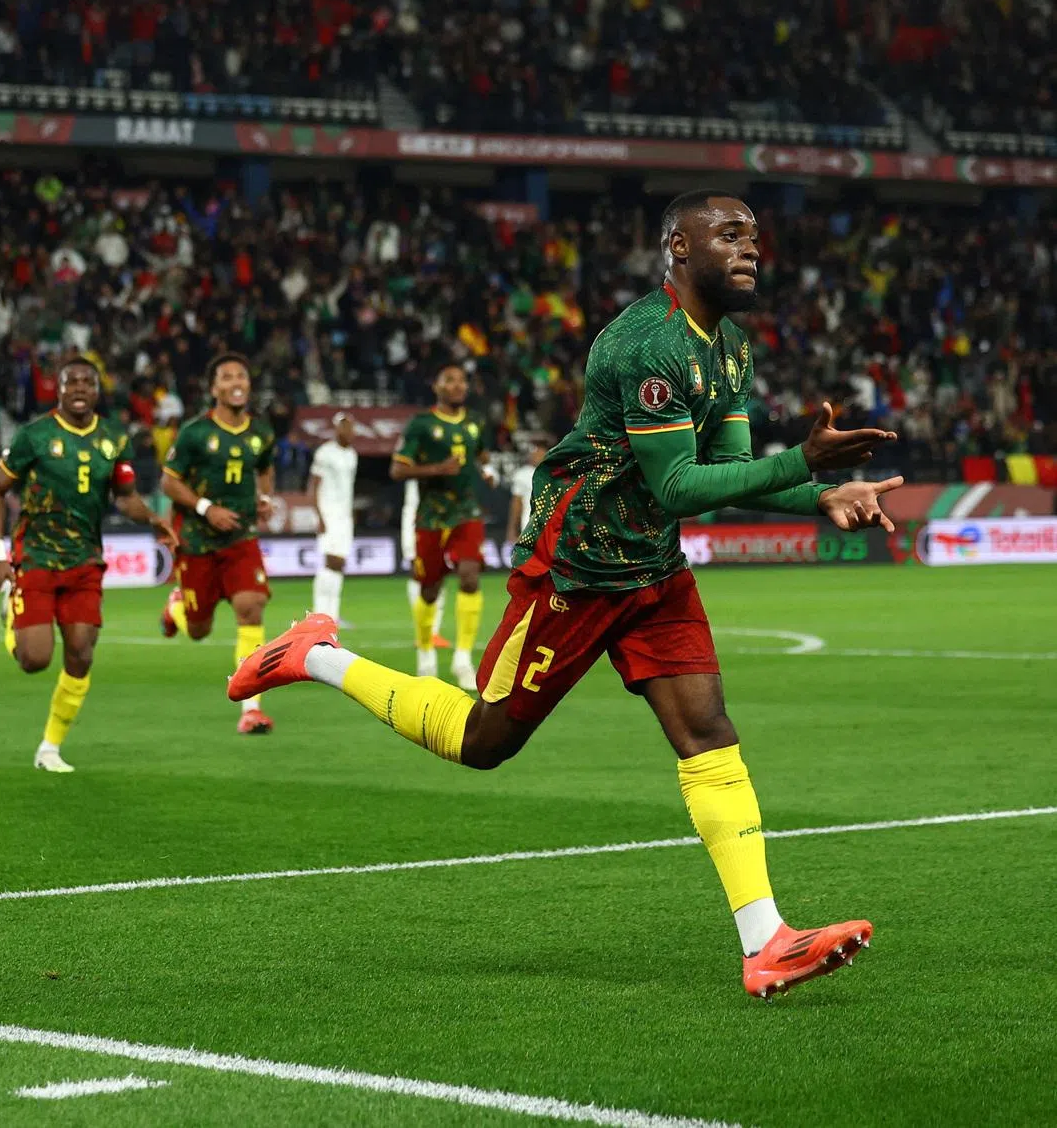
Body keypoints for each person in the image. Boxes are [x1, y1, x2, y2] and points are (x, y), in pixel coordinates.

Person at [230, 190, 902, 998]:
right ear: (677, 250)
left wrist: (817, 496)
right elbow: (682, 484)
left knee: (707, 729)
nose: (750, 247)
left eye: (754, 235)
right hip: (577, 565)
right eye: (729, 235)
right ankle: (317, 655)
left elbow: (725, 474)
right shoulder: (643, 345)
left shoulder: (728, 350)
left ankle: (767, 943)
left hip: (651, 566)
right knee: (485, 740)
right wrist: (805, 465)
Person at [0, 355, 177, 773]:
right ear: (59, 388)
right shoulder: (34, 435)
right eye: (71, 382)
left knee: (81, 655)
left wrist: (154, 519)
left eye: (87, 383)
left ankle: (49, 748)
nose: (79, 389)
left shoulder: (112, 437)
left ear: (97, 390)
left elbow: (124, 495)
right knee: (34, 660)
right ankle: (11, 612)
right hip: (35, 555)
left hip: (86, 561)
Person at [159, 352, 276, 734]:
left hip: (241, 537)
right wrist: (206, 508)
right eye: (227, 377)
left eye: (241, 375)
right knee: (198, 629)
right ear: (214, 389)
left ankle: (251, 708)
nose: (236, 382)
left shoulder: (261, 433)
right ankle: (176, 607)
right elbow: (169, 482)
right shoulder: (195, 433)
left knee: (251, 607)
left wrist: (265, 498)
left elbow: (265, 467)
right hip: (197, 540)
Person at [390, 364, 492, 690]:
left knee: (470, 576)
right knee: (430, 588)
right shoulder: (422, 424)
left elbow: (482, 456)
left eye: (462, 380)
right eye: (450, 380)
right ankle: (425, 654)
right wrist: (438, 469)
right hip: (431, 515)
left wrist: (488, 472)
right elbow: (397, 470)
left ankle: (463, 659)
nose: (458, 385)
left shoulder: (476, 422)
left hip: (466, 511)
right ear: (436, 386)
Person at [309, 412, 358, 623]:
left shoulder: (352, 455)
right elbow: (313, 487)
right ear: (336, 429)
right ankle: (319, 614)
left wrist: (350, 513)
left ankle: (333, 616)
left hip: (344, 516)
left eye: (350, 427)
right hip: (328, 513)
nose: (348, 431)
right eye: (344, 427)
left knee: (340, 564)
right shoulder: (325, 453)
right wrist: (318, 515)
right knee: (330, 562)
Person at [400, 478, 448, 650]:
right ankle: (422, 633)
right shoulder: (416, 477)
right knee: (419, 576)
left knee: (438, 576)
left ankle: (433, 632)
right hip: (418, 525)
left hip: (438, 523)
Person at [505, 439, 549, 545]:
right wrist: (512, 529)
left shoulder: (559, 473)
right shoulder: (522, 474)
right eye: (534, 451)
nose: (537, 454)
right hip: (530, 529)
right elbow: (516, 504)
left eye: (540, 451)